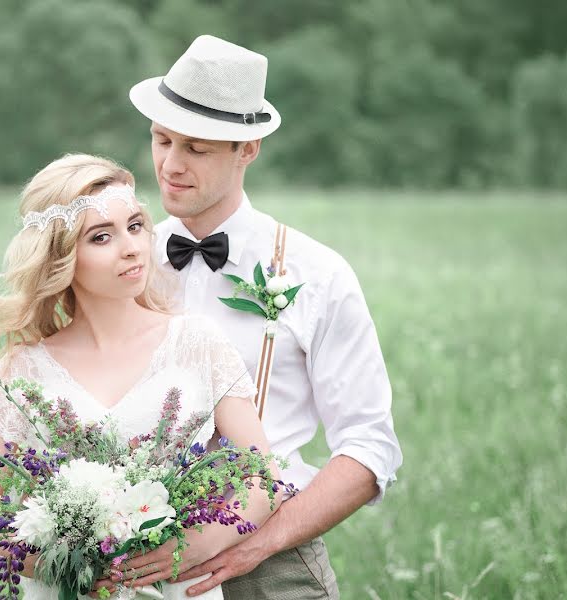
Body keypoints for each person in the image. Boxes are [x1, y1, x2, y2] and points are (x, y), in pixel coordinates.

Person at [121, 35, 403, 599]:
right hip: (135, 560)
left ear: (247, 148)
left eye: (196, 149)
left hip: (273, 562)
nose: (170, 165)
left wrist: (255, 544)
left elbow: (370, 447)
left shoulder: (317, 274)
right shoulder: (123, 263)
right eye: (161, 139)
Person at [0, 154, 281, 599]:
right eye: (101, 237)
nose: (131, 247)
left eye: (134, 226)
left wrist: (193, 547)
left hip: (176, 586)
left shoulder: (196, 341)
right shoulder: (22, 369)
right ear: (61, 255)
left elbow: (262, 477)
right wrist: (68, 565)